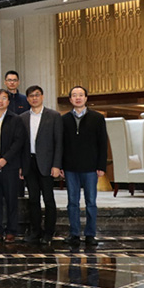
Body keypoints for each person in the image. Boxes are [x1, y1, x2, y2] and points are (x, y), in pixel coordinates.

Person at [61, 86, 107, 247]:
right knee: (72, 202)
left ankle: (90, 234)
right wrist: (60, 165)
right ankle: (74, 234)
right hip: (70, 167)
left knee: (91, 202)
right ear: (70, 99)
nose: (78, 98)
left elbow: (103, 143)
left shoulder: (97, 118)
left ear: (86, 98)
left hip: (91, 167)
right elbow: (61, 144)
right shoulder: (64, 119)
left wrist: (101, 166)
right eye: (74, 95)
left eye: (81, 95)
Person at [20, 85, 63, 245]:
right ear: (27, 99)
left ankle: (49, 232)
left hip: (47, 163)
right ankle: (35, 231)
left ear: (42, 97)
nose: (34, 98)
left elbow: (59, 142)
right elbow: (21, 144)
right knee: (33, 199)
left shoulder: (53, 116)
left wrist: (56, 165)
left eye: (37, 95)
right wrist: (21, 166)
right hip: (29, 163)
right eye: (31, 96)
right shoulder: (23, 117)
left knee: (48, 199)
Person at [0, 89, 26, 242]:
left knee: (11, 199)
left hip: (10, 165)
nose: (1, 101)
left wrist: (5, 159)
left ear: (8, 102)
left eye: (4, 98)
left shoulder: (16, 119)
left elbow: (18, 142)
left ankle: (11, 230)